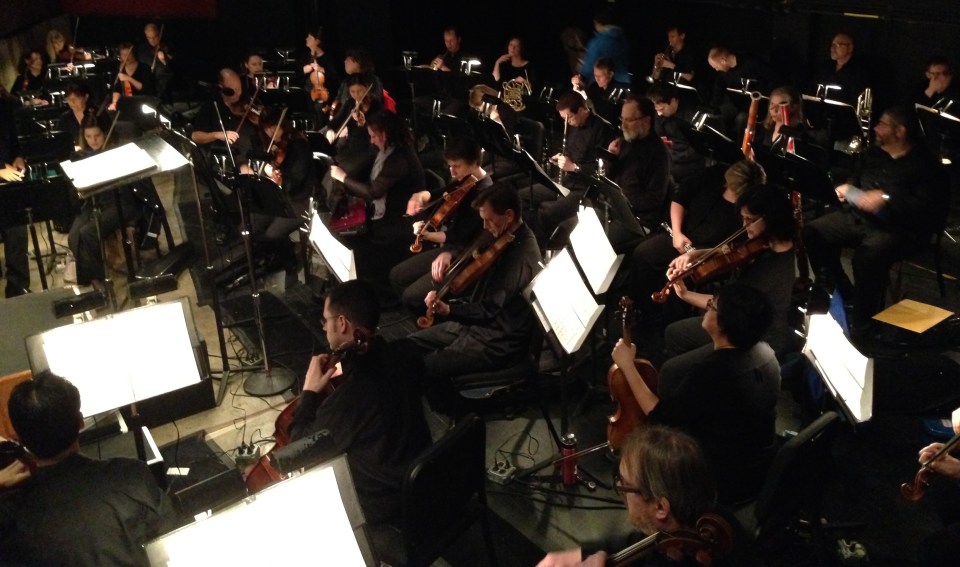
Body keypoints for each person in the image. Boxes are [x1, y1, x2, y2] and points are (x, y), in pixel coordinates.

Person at [613, 283, 781, 504]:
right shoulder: (767, 354)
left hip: (722, 481)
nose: (707, 308)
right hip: (757, 466)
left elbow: (659, 417)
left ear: (722, 324)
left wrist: (627, 366)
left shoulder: (712, 374)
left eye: (711, 306)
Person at [287, 280, 431, 524]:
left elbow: (299, 450)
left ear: (342, 323)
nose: (324, 328)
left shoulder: (355, 393)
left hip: (384, 504)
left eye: (325, 320)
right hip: (424, 477)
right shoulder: (404, 353)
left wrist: (309, 392)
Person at [0, 371, 177, 566]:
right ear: (80, 422)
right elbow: (172, 538)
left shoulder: (10, 513)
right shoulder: (131, 474)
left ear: (19, 438)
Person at [803, 105, 950, 337]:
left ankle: (865, 323)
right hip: (859, 218)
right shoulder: (874, 153)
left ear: (900, 131)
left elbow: (927, 210)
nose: (875, 128)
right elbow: (856, 175)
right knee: (813, 232)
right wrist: (848, 188)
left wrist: (885, 200)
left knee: (867, 258)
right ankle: (844, 290)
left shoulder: (926, 166)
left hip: (899, 229)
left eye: (881, 124)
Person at [409, 183, 542, 410]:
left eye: (489, 220)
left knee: (426, 367)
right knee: (409, 345)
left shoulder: (521, 255)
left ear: (509, 215)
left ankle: (450, 412)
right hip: (473, 324)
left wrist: (449, 310)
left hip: (496, 339)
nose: (485, 226)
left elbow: (489, 309)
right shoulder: (503, 236)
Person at [537, 426, 738, 567]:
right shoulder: (712, 522)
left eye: (625, 485)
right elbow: (638, 541)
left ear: (660, 507)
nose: (618, 487)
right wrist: (582, 554)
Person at [659, 186, 797, 384]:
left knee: (672, 361)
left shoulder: (770, 272)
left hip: (751, 338)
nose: (745, 225)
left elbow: (726, 306)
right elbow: (731, 251)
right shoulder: (771, 241)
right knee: (674, 332)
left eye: (750, 220)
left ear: (771, 218)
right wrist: (695, 254)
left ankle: (694, 388)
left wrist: (686, 294)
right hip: (738, 317)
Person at [628, 159, 764, 318]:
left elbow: (732, 250)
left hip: (709, 255)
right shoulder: (716, 174)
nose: (726, 189)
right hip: (682, 236)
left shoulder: (749, 211)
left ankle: (665, 326)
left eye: (733, 191)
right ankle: (642, 310)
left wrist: (696, 255)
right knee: (643, 253)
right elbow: (680, 198)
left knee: (678, 279)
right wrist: (677, 233)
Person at [389, 137, 492, 314]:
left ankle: (428, 323)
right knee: (396, 276)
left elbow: (457, 234)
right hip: (451, 247)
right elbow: (446, 192)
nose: (452, 172)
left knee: (409, 296)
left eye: (456, 166)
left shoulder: (483, 193)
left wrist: (427, 235)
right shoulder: (467, 179)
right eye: (450, 166)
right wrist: (422, 195)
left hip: (463, 255)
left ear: (475, 162)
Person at [329, 110, 424, 289]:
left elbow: (374, 192)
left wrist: (343, 178)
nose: (371, 140)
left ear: (384, 134)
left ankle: (364, 287)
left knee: (349, 237)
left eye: (373, 136)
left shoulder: (399, 157)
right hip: (390, 209)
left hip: (398, 220)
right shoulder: (389, 149)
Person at [68, 115, 142, 290]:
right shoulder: (83, 156)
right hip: (94, 202)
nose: (93, 141)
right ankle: (92, 278)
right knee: (73, 236)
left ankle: (100, 280)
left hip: (119, 202)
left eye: (97, 136)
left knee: (88, 232)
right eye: (88, 137)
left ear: (105, 134)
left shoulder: (117, 152)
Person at [0, 92, 30, 298]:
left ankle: (17, 286)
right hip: (2, 172)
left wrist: (19, 157)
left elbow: (13, 139)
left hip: (8, 179)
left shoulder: (4, 105)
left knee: (17, 230)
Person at [647, 83, 706, 187]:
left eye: (661, 109)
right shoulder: (659, 114)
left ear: (674, 101)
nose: (659, 114)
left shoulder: (693, 116)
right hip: (670, 155)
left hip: (688, 161)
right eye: (657, 110)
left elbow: (698, 149)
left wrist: (671, 157)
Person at [577, 7, 630, 86]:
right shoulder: (622, 38)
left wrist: (580, 75)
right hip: (623, 81)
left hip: (601, 85)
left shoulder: (598, 42)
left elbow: (588, 67)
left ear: (596, 23)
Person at [813, 33, 869, 105]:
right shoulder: (827, 66)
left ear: (850, 48)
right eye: (832, 45)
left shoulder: (858, 72)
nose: (832, 49)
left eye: (838, 45)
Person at [107, 42, 157, 112]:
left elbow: (145, 88)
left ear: (134, 54)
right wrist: (114, 103)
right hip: (127, 104)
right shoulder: (119, 69)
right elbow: (117, 89)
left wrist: (129, 78)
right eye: (123, 55)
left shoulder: (144, 68)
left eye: (128, 54)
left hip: (144, 104)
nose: (126, 57)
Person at [136, 23, 172, 100]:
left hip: (163, 83)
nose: (152, 40)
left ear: (159, 34)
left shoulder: (165, 46)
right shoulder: (142, 48)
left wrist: (164, 56)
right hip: (148, 80)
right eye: (149, 37)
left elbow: (171, 62)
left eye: (154, 37)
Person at [58, 81, 95, 149]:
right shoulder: (64, 118)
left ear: (86, 97)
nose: (72, 102)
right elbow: (62, 142)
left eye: (76, 98)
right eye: (68, 99)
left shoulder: (97, 113)